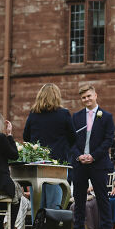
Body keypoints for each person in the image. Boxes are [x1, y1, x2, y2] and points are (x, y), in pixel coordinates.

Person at [23, 83, 75, 215]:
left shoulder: (34, 114)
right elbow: (73, 138)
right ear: (57, 96)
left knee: (37, 204)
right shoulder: (63, 114)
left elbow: (26, 137)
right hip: (56, 166)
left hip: (37, 165)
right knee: (54, 203)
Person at [71, 84, 115, 229]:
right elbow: (71, 140)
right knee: (79, 198)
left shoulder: (107, 116)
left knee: (102, 198)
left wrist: (93, 156)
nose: (86, 99)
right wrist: (79, 155)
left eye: (89, 96)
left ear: (95, 95)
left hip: (99, 163)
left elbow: (108, 140)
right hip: (80, 164)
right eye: (83, 97)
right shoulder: (76, 117)